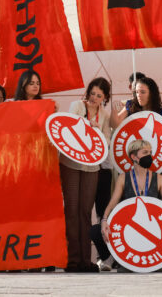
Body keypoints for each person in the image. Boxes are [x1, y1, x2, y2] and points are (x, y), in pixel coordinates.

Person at [92, 138, 162, 271]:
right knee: (95, 230)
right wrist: (105, 219)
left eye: (150, 152)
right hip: (131, 229)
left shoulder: (159, 178)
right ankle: (112, 260)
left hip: (154, 227)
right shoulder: (123, 178)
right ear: (133, 156)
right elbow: (112, 203)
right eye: (145, 152)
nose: (149, 156)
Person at [61, 77, 112, 272]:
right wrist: (87, 126)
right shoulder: (76, 106)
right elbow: (68, 127)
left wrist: (98, 131)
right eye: (92, 93)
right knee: (71, 210)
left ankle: (85, 259)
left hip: (92, 165)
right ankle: (72, 259)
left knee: (85, 211)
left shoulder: (104, 115)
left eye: (99, 95)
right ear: (88, 92)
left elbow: (106, 140)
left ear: (104, 98)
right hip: (71, 163)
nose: (94, 98)